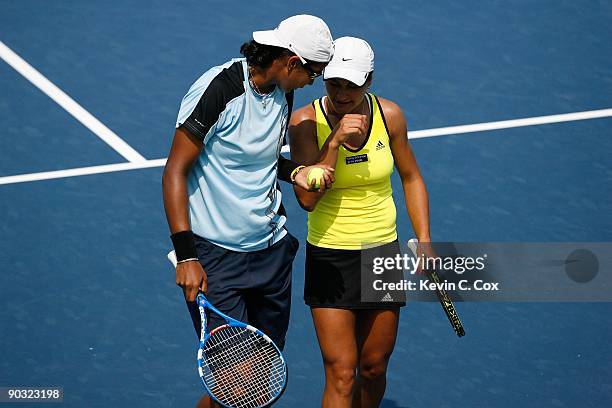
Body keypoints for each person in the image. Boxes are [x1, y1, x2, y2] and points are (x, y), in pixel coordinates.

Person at [162, 15, 335, 408]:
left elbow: (265, 159)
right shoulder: (219, 89)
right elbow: (175, 170)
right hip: (216, 259)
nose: (315, 83)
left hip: (271, 254)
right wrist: (187, 255)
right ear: (292, 62)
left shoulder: (282, 90)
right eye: (314, 72)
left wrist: (298, 171)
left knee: (257, 381)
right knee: (236, 388)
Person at [289, 37, 432, 407]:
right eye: (334, 83)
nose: (341, 93)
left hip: (381, 254)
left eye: (351, 85)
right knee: (340, 372)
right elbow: (307, 199)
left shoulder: (391, 116)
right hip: (330, 258)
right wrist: (334, 143)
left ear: (369, 80)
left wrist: (425, 238)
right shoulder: (305, 123)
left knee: (373, 368)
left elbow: (411, 177)